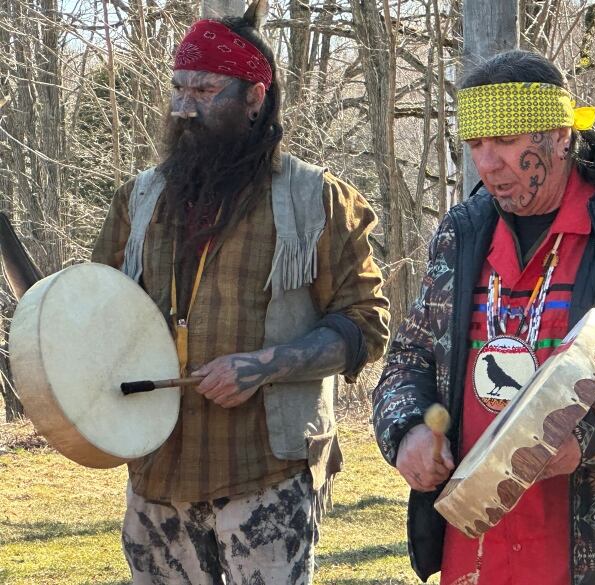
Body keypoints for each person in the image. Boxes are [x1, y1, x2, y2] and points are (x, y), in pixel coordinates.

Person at [372, 49, 595, 585]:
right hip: (479, 551)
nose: (487, 165)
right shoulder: (460, 232)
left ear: (561, 135)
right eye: (476, 145)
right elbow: (411, 356)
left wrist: (586, 434)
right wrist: (408, 430)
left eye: (507, 144)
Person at [91, 5, 390, 584]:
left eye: (204, 89)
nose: (183, 107)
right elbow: (98, 309)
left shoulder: (316, 200)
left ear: (255, 98)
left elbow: (366, 324)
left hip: (265, 475)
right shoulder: (139, 200)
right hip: (155, 479)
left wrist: (265, 365)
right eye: (177, 88)